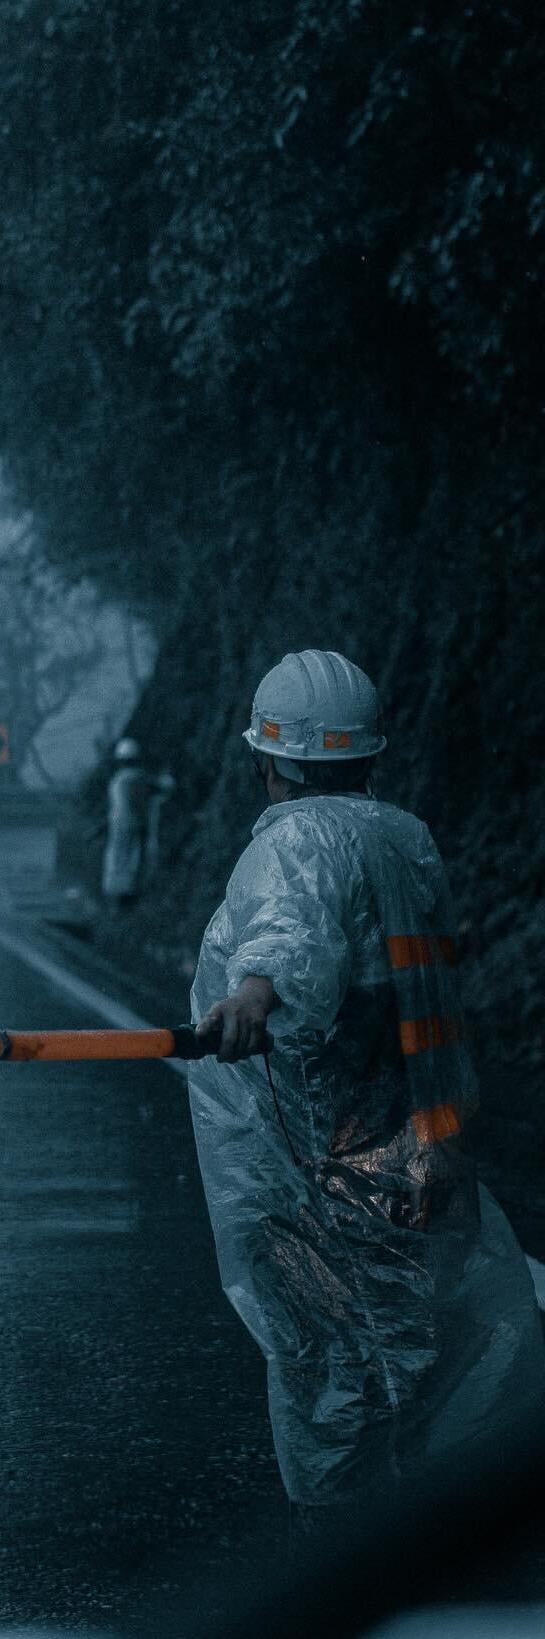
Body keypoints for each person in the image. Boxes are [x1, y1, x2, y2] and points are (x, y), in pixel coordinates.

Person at [190, 649, 545, 1526]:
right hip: (416, 1139)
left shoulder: (299, 839)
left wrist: (250, 995)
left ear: (270, 760)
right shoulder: (403, 836)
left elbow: (289, 931)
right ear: (368, 754)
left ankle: (348, 1567)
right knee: (420, 1343)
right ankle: (435, 1544)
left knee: (332, 1363)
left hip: (323, 1155)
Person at [101, 737, 173, 912]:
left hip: (118, 825)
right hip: (133, 824)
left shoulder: (117, 780)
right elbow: (163, 787)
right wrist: (167, 777)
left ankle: (117, 902)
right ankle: (126, 901)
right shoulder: (137, 777)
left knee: (117, 859)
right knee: (132, 859)